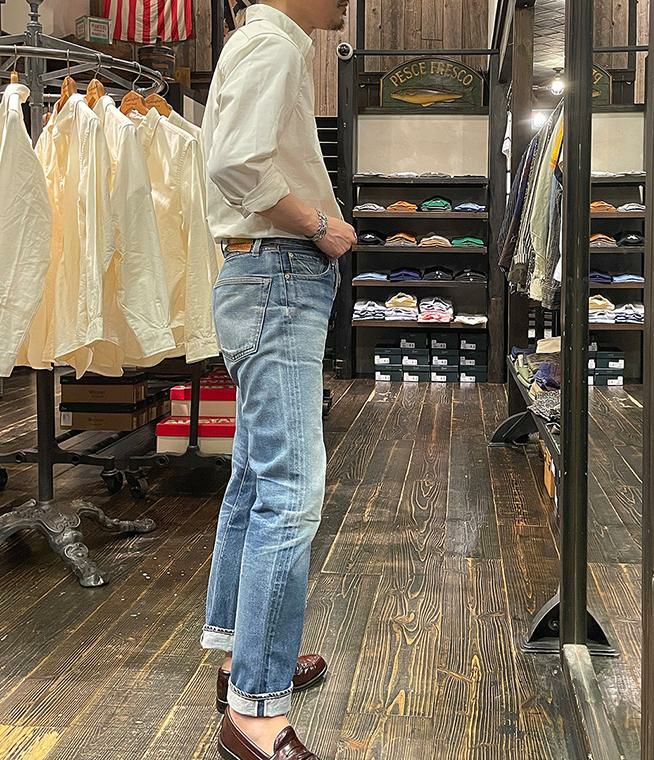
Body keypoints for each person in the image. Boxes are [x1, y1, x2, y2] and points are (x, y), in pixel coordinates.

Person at [200, 2, 355, 759]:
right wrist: (322, 226)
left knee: (257, 479)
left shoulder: (257, 41)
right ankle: (256, 712)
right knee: (290, 489)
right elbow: (236, 163)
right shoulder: (275, 46)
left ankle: (244, 659)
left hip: (260, 275)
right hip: (278, 274)